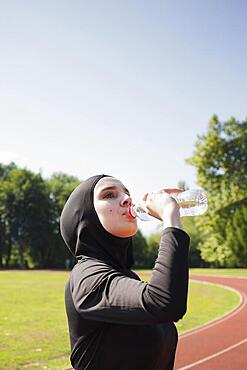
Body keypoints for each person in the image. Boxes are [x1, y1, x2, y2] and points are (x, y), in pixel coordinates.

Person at [60, 174, 190, 370]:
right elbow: (164, 302)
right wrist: (170, 217)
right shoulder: (86, 276)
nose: (127, 199)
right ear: (87, 215)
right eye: (109, 195)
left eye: (126, 193)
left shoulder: (126, 276)